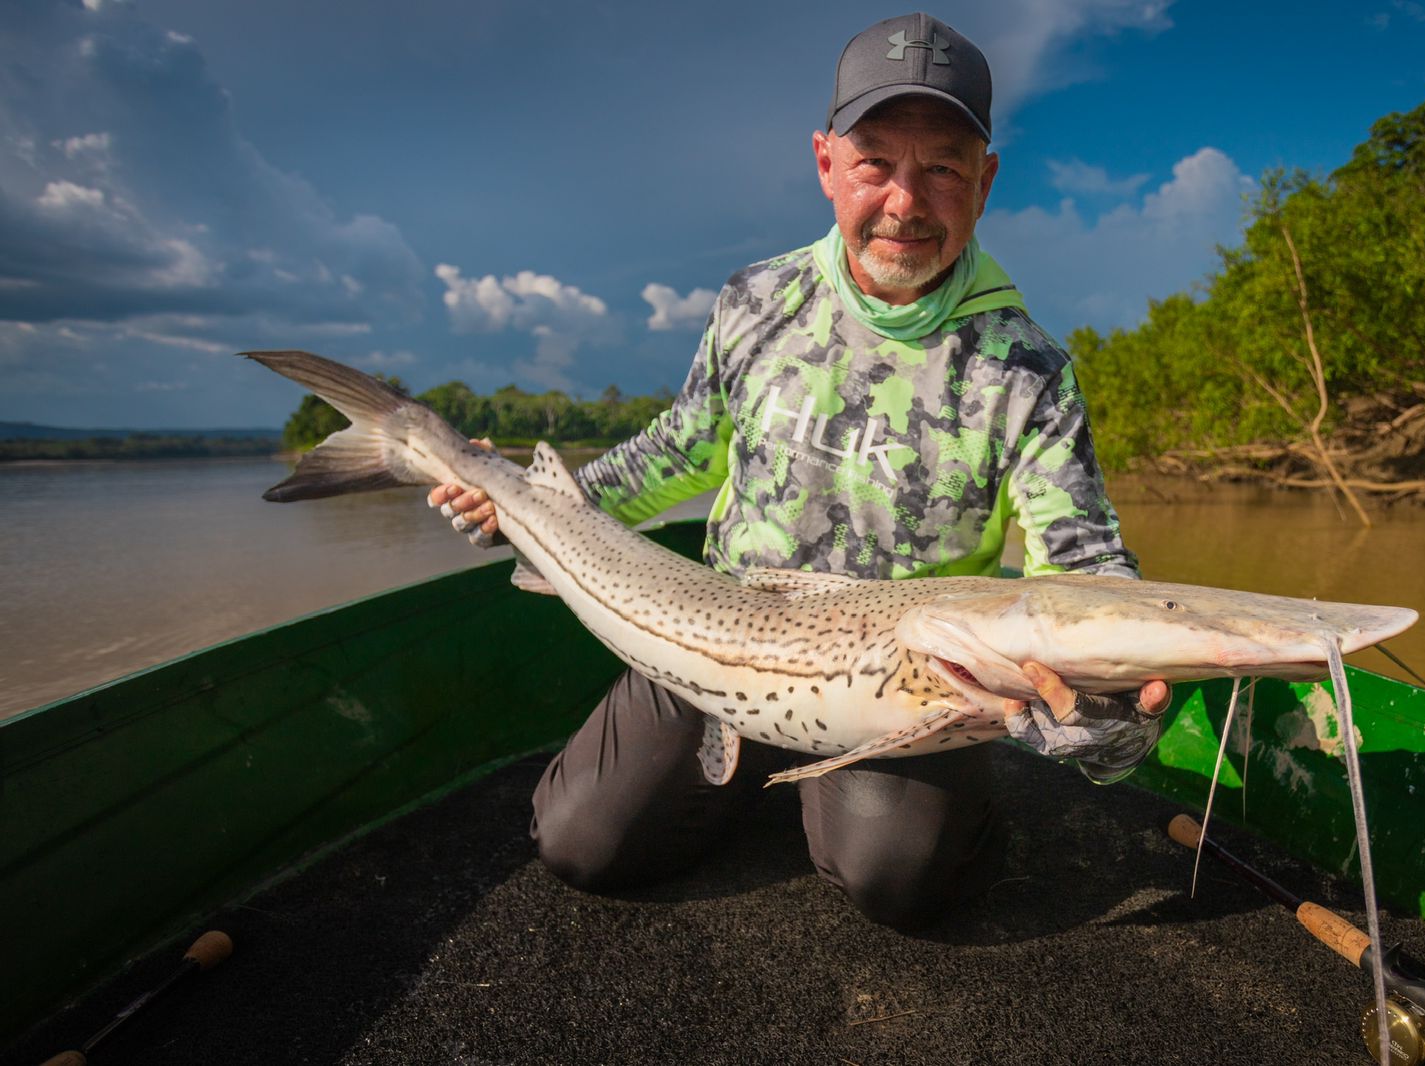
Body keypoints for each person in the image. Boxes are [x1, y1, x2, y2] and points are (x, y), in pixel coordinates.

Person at [429, 12, 1169, 931]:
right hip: (718, 631)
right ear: (826, 165)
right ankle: (752, 764)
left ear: (984, 182)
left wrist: (1117, 702)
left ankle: (918, 808)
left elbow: (1080, 560)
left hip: (902, 681)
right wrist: (527, 501)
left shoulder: (1027, 370)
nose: (905, 200)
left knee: (901, 882)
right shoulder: (754, 302)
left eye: (941, 165)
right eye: (875, 163)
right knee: (580, 845)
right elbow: (678, 451)